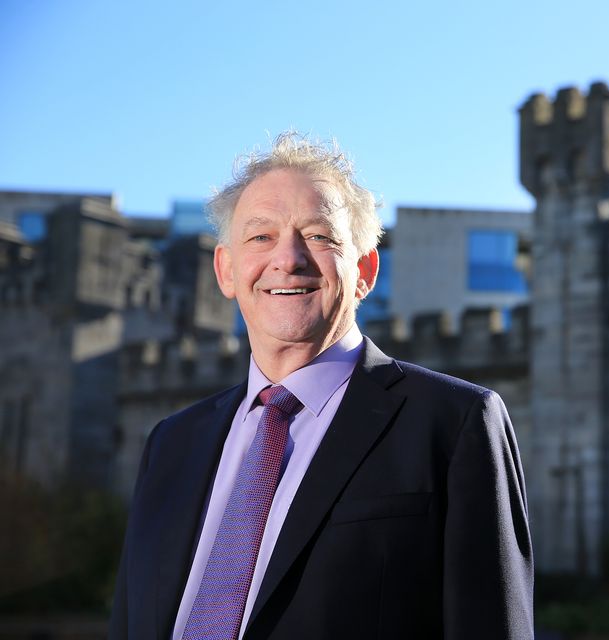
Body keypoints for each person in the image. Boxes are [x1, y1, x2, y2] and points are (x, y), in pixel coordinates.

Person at [109, 132, 534, 639]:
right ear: (225, 270)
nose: (287, 259)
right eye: (260, 236)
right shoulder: (171, 442)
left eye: (319, 236)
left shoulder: (455, 423)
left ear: (365, 271)